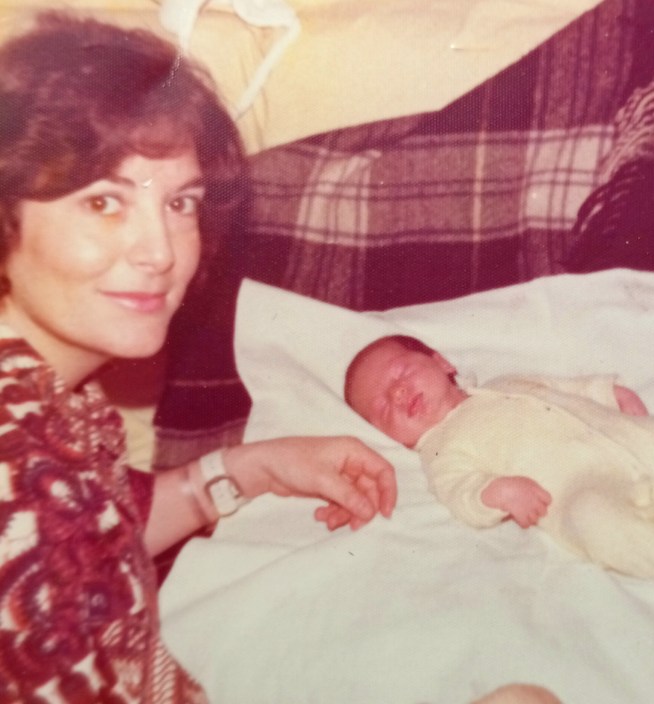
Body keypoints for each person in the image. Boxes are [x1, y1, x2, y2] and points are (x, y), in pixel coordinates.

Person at [0, 13, 397, 702]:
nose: (160, 251)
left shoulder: (39, 395)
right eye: (103, 202)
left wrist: (251, 468)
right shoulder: (21, 489)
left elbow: (99, 532)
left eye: (181, 202)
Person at [345, 334, 654, 593]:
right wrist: (496, 493)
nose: (398, 395)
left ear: (441, 362)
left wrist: (607, 392)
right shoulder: (440, 450)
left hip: (629, 439)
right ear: (391, 437)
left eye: (401, 374)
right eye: (383, 408)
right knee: (591, 519)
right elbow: (459, 491)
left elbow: (563, 388)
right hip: (585, 485)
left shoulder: (505, 382)